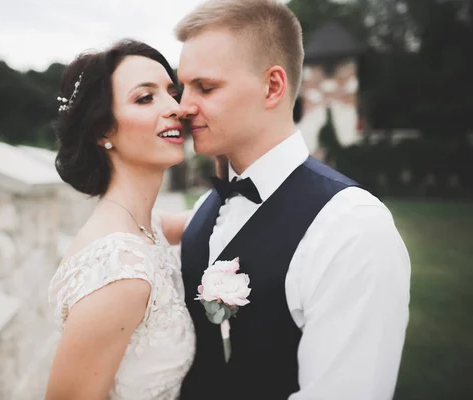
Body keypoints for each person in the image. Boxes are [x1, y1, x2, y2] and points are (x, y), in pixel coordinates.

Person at [175, 1, 411, 399]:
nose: (182, 106)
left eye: (206, 87)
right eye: (183, 87)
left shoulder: (353, 228)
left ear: (272, 87)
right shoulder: (204, 210)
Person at [45, 39, 196, 400]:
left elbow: (204, 218)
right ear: (103, 131)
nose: (175, 108)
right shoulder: (119, 272)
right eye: (145, 98)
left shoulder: (146, 225)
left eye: (171, 93)